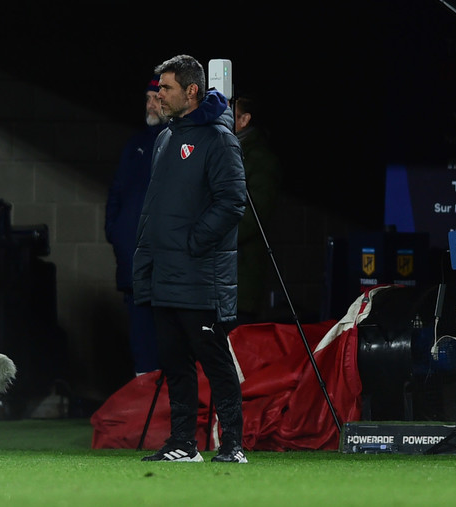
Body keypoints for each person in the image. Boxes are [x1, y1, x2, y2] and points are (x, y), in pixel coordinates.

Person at [133, 55, 248, 463]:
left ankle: (233, 446)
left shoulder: (219, 139)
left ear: (192, 91)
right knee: (175, 365)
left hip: (200, 278)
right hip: (165, 275)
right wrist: (147, 260)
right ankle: (183, 443)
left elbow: (233, 202)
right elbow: (153, 210)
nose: (158, 94)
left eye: (166, 87)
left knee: (216, 365)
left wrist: (193, 243)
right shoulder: (166, 138)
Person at [105, 74, 168, 376]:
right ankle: (143, 409)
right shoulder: (135, 144)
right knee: (140, 341)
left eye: (157, 96)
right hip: (133, 263)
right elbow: (117, 193)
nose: (151, 103)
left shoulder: (182, 141)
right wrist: (116, 233)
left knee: (167, 339)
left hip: (166, 266)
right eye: (148, 97)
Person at [232, 92, 282, 324]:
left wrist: (212, 236)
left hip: (240, 277)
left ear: (245, 119)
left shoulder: (260, 158)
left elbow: (254, 217)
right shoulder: (224, 150)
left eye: (230, 113)